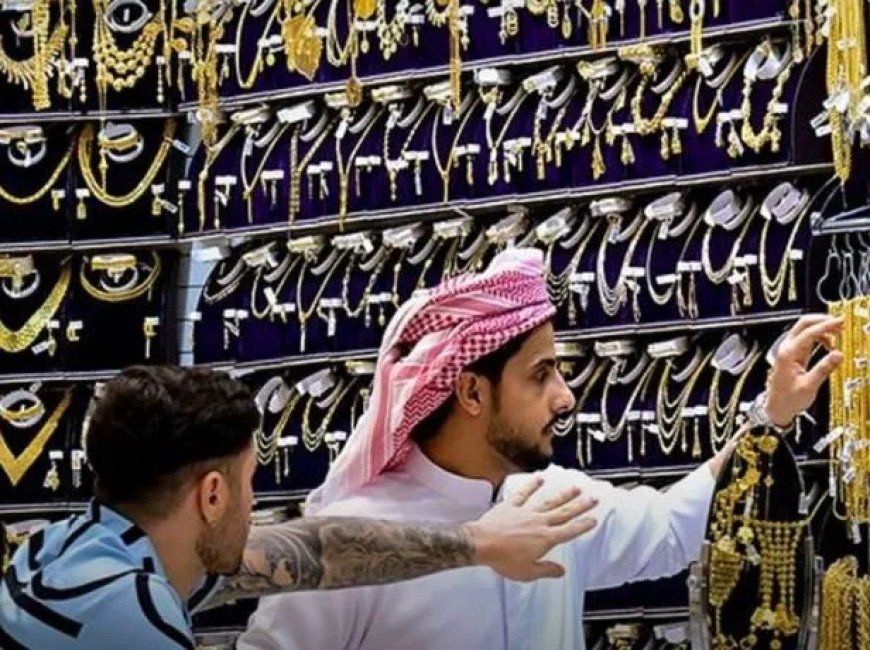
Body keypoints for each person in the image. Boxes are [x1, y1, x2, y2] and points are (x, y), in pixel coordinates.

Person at [239, 247, 844, 650]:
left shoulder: (554, 499)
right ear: (472, 392)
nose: (565, 396)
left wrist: (771, 416)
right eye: (541, 375)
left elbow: (671, 526)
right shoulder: (356, 536)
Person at [0, 365, 599, 649]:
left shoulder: (72, 549)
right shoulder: (133, 623)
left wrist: (475, 544)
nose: (255, 503)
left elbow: (316, 552)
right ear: (212, 495)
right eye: (247, 484)